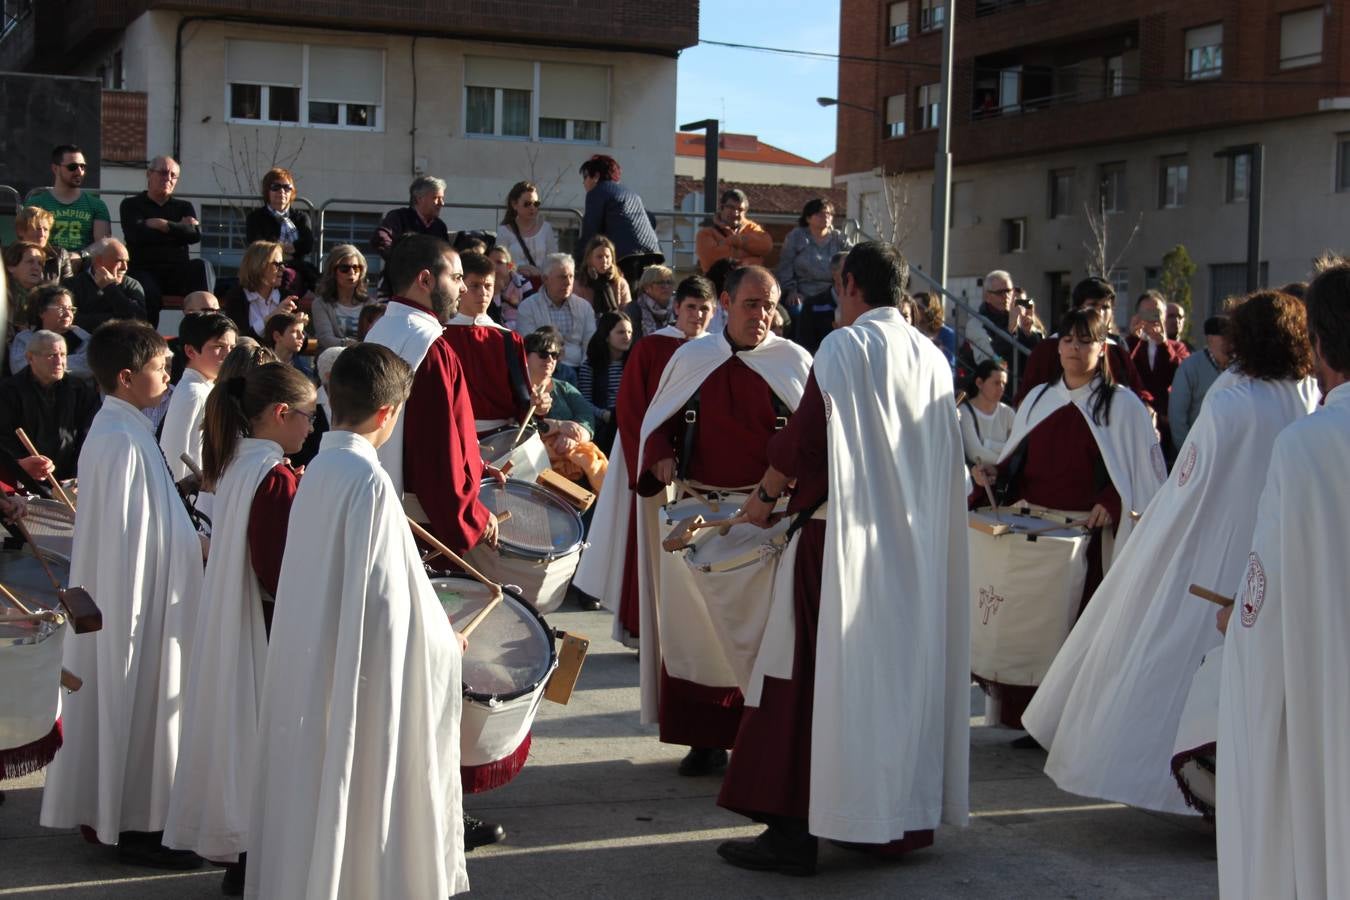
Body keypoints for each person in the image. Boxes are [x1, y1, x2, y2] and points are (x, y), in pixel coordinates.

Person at [716, 241, 970, 875]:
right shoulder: (933, 358)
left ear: (852, 284)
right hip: (910, 554)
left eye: (836, 286)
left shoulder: (846, 347)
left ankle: (792, 831)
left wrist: (765, 496)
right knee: (889, 686)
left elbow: (805, 442)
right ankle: (883, 821)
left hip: (840, 546)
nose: (834, 301)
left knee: (799, 680)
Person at [1023, 291, 1318, 819]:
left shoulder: (1230, 398)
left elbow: (1189, 481)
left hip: (1210, 546)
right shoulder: (1301, 393)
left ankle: (1178, 785)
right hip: (1270, 552)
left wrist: (1156, 534)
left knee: (1170, 660)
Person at [245, 343, 469, 899]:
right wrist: (446, 641)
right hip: (359, 672)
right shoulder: (368, 481)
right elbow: (389, 607)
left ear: (327, 399)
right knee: (361, 793)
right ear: (390, 414)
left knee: (322, 784)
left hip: (315, 657)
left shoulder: (319, 465)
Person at [634, 265, 813, 776]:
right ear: (728, 303)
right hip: (696, 513)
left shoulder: (794, 361)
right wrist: (661, 452)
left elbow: (813, 438)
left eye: (771, 305)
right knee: (696, 636)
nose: (763, 315)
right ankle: (704, 739)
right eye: (752, 304)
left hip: (766, 521)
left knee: (759, 635)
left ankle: (758, 738)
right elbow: (657, 423)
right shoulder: (693, 357)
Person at [39, 320, 204, 869]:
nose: (169, 374)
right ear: (127, 377)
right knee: (138, 714)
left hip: (154, 602)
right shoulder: (117, 440)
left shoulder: (131, 430)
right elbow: (122, 549)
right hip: (139, 611)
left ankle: (142, 819)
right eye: (161, 368)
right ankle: (135, 827)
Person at [1216, 258, 1350, 900]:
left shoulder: (1305, 448)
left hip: (1330, 687)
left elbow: (1263, 599)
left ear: (1321, 344)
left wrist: (1237, 615)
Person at [971, 307, 1163, 737]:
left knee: (1076, 640)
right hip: (1035, 538)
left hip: (1086, 542)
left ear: (1102, 348)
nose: (1075, 349)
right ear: (1056, 346)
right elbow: (1017, 460)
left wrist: (1113, 500)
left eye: (1085, 341)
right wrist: (995, 474)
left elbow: (1142, 478)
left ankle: (1073, 727)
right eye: (1068, 341)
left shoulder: (1122, 407)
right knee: (1029, 632)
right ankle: (1032, 722)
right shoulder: (1039, 399)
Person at [162, 362, 315, 895]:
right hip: (266, 620)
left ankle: (246, 855)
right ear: (279, 414)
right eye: (307, 416)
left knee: (244, 733)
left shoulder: (237, 463)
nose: (312, 428)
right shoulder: (273, 476)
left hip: (237, 612)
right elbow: (279, 569)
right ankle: (254, 856)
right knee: (267, 737)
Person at [570, 274, 717, 641]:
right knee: (652, 546)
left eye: (704, 309)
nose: (697, 315)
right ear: (677, 309)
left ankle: (690, 634)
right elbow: (633, 407)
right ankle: (646, 630)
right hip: (654, 462)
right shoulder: (651, 348)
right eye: (690, 307)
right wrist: (656, 454)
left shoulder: (719, 352)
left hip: (702, 465)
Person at [364, 234, 499, 553]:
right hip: (421, 526)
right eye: (455, 278)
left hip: (380, 504)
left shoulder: (378, 331)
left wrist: (476, 466)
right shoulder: (431, 349)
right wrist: (472, 515)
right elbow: (436, 451)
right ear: (425, 279)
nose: (464, 288)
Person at [1014, 276, 1148, 405]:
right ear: (1077, 309)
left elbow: (1138, 395)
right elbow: (1026, 400)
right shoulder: (1048, 348)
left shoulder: (1117, 351)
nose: (1100, 313)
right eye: (1093, 305)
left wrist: (1146, 409)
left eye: (1105, 307)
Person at [441, 251, 533, 434]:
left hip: (500, 437)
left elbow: (522, 399)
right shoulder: (439, 335)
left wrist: (538, 407)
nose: (483, 293)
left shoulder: (508, 339)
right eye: (474, 286)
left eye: (488, 286)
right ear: (459, 286)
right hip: (451, 434)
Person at [0, 327, 101, 486]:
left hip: (68, 481)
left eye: (63, 355)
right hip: (25, 481)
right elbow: (4, 438)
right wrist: (21, 463)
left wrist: (77, 477)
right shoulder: (9, 392)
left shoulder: (79, 391)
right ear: (30, 358)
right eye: (52, 355)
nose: (59, 362)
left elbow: (88, 436)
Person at [120, 155, 208, 326]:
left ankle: (202, 328)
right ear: (149, 174)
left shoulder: (184, 206)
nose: (168, 178)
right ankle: (148, 340)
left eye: (173, 175)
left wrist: (162, 224)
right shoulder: (131, 205)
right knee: (147, 291)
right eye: (163, 173)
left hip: (176, 271)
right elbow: (136, 235)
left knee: (201, 267)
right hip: (144, 270)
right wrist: (178, 228)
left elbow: (194, 236)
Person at [161, 311, 238, 482]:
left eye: (232, 348)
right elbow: (175, 454)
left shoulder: (208, 388)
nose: (227, 355)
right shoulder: (192, 392)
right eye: (218, 347)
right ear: (190, 351)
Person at [576, 154, 663, 282]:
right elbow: (651, 219)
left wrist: (577, 262)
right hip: (654, 252)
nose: (583, 182)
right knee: (646, 297)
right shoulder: (629, 192)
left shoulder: (596, 192)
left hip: (626, 257)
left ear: (596, 176)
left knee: (622, 297)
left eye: (585, 177)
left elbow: (591, 230)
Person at [515, 253, 596, 384]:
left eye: (571, 276)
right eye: (562, 277)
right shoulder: (528, 307)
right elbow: (529, 347)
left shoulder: (584, 307)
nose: (569, 282)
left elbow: (590, 345)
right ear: (545, 279)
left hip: (579, 370)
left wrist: (586, 373)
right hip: (544, 369)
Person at [1129, 291, 1190, 459]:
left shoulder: (1177, 347)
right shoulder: (1130, 345)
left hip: (1166, 422)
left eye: (1156, 313)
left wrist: (1163, 345)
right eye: (1146, 314)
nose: (1152, 319)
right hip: (1136, 418)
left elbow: (1182, 375)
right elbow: (1122, 370)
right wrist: (1133, 339)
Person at [774, 198, 852, 320]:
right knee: (797, 311)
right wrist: (791, 291)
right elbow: (785, 265)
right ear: (808, 218)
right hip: (803, 292)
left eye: (829, 214)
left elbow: (853, 260)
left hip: (832, 292)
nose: (825, 217)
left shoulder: (839, 238)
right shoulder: (796, 237)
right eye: (820, 214)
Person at [371, 175, 450, 294]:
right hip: (397, 288)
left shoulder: (440, 227)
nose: (441, 203)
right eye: (436, 198)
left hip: (430, 291)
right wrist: (402, 260)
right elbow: (380, 238)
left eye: (442, 198)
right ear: (418, 199)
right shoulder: (398, 217)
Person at [244, 167, 317, 292]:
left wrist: (278, 248)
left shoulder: (301, 217)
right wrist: (290, 249)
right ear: (267, 191)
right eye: (276, 187)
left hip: (296, 267)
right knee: (280, 275)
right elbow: (257, 245)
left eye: (287, 188)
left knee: (288, 276)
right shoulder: (256, 217)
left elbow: (307, 244)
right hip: (263, 268)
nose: (282, 191)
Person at [28, 144, 111, 252]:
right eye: (72, 167)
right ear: (55, 169)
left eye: (82, 167)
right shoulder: (37, 203)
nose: (79, 172)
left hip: (83, 265)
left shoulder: (96, 205)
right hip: (46, 263)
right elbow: (28, 242)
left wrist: (80, 256)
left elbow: (102, 244)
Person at [524, 327, 597, 440]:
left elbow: (587, 419)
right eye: (543, 354)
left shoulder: (565, 388)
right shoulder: (515, 390)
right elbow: (517, 427)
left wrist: (573, 439)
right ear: (525, 356)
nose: (550, 360)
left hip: (567, 452)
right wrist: (559, 426)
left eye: (554, 355)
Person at [1169, 314, 1230, 448]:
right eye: (1225, 336)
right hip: (1197, 449)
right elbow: (1177, 416)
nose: (1230, 341)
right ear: (1210, 339)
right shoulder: (1190, 368)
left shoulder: (1238, 370)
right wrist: (1186, 454)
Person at [63, 237, 147, 332]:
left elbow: (139, 319)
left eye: (126, 261)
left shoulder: (131, 285)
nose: (125, 267)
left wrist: (110, 288)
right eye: (119, 261)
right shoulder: (73, 285)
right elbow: (70, 320)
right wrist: (117, 318)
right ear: (98, 261)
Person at [9, 284, 92, 380]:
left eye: (70, 309)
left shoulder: (82, 337)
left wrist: (43, 362)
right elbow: (21, 368)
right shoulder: (25, 339)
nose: (68, 314)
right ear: (41, 312)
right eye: (61, 309)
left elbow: (89, 366)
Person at [221, 241, 300, 340]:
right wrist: (274, 316)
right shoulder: (237, 297)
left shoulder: (287, 298)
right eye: (277, 264)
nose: (283, 269)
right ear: (258, 265)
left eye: (283, 264)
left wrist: (299, 327)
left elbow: (301, 344)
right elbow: (239, 339)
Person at [964, 269, 1041, 370]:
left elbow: (1038, 355)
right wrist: (1010, 329)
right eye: (1000, 293)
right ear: (987, 297)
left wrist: (1028, 334)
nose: (1006, 296)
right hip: (998, 382)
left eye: (1008, 291)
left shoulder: (1017, 315)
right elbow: (990, 360)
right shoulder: (976, 323)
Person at [577, 310, 632, 453]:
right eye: (621, 332)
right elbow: (583, 402)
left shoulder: (634, 364)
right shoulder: (591, 366)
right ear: (607, 336)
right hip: (605, 424)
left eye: (630, 332)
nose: (627, 337)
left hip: (629, 421)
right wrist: (604, 414)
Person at [695, 189, 773, 274]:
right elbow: (711, 260)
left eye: (740, 209)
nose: (735, 213)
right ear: (722, 207)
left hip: (747, 282)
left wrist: (735, 241)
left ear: (745, 211)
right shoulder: (706, 234)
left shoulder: (752, 228)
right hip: (718, 283)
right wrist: (753, 257)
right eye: (731, 208)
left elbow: (766, 245)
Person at [309, 244, 369, 349]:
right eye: (344, 268)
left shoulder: (370, 304)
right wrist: (351, 345)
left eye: (356, 268)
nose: (351, 272)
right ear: (333, 272)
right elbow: (325, 339)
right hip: (332, 359)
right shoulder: (321, 304)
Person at [495, 181, 556, 284]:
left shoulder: (546, 229)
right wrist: (517, 268)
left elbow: (554, 259)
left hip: (542, 286)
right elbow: (500, 262)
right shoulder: (504, 231)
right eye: (527, 204)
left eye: (536, 204)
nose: (532, 208)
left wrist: (539, 272)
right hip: (515, 286)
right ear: (514, 205)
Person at [958, 360, 1015, 466]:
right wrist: (1003, 463)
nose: (1001, 388)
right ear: (979, 383)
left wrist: (988, 444)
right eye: (997, 383)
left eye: (1004, 384)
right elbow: (974, 453)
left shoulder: (1008, 412)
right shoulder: (964, 411)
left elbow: (1015, 449)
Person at [167, 291, 222, 383]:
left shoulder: (226, 346)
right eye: (208, 310)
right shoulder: (169, 350)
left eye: (218, 311)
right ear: (188, 313)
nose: (215, 316)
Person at [14, 205, 78, 283]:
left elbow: (69, 288)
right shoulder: (7, 257)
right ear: (21, 231)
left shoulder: (60, 255)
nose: (42, 234)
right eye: (37, 229)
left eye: (46, 229)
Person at [574, 235, 632, 316]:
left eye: (607, 257)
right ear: (589, 259)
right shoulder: (580, 283)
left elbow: (627, 313)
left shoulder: (620, 283)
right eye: (599, 257)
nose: (604, 261)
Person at [3, 241, 47, 342]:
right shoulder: (3, 295)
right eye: (30, 262)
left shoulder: (45, 298)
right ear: (11, 267)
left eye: (40, 263)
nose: (36, 267)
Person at [628, 265, 676, 341]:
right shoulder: (634, 309)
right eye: (661, 282)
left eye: (669, 282)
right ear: (647, 287)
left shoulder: (678, 308)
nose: (666, 286)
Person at [262, 311, 314, 380]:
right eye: (294, 331)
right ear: (277, 336)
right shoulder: (262, 365)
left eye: (302, 332)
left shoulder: (304, 368)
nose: (302, 336)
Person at [487, 244, 526, 329]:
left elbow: (531, 310)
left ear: (510, 266)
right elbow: (492, 319)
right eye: (490, 263)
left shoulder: (523, 283)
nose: (494, 267)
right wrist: (496, 293)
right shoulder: (484, 287)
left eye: (499, 262)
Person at [917, 291, 958, 372]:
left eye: (918, 307)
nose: (914, 310)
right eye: (912, 306)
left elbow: (949, 364)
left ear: (930, 310)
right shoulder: (914, 331)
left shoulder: (948, 334)